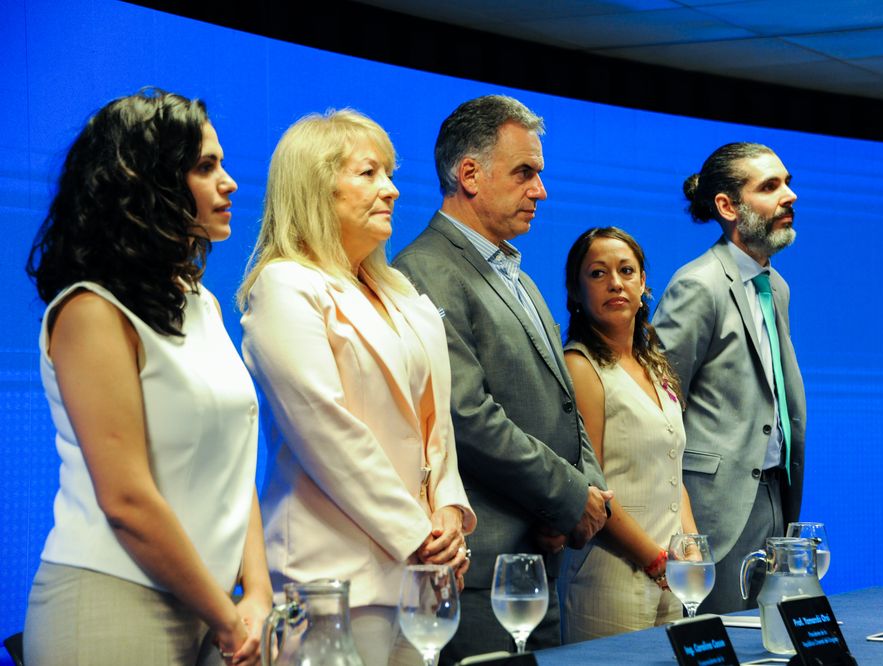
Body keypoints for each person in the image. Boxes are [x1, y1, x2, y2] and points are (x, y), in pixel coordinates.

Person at [22, 88, 271, 666]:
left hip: (214, 610)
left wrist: (256, 592)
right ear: (148, 181)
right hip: (110, 604)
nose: (230, 183)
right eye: (205, 167)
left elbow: (232, 469)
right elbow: (126, 500)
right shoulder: (91, 310)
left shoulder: (201, 301)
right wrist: (226, 616)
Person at [238, 109, 475, 666]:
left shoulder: (401, 294)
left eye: (389, 174)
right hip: (331, 578)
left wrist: (448, 511)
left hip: (419, 574)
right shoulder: (285, 285)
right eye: (369, 173)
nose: (391, 190)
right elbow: (326, 431)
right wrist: (419, 534)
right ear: (315, 188)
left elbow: (435, 424)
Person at [393, 95, 611, 663]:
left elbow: (564, 403)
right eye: (525, 173)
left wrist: (581, 495)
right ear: (469, 174)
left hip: (539, 558)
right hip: (480, 574)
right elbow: (467, 416)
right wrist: (570, 498)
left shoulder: (518, 274)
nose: (541, 190)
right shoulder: (422, 270)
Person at [652, 142, 806, 614]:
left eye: (787, 183)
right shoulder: (698, 284)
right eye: (770, 186)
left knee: (773, 635)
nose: (790, 196)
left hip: (776, 492)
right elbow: (657, 403)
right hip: (715, 509)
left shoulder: (776, 286)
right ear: (727, 206)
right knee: (727, 639)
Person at [560, 227, 698, 641]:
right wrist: (654, 559)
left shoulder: (653, 364)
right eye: (598, 273)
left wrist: (691, 545)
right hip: (611, 576)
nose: (615, 283)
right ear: (576, 291)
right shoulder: (580, 366)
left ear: (643, 285)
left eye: (626, 271)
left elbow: (672, 470)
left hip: (672, 574)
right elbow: (592, 487)